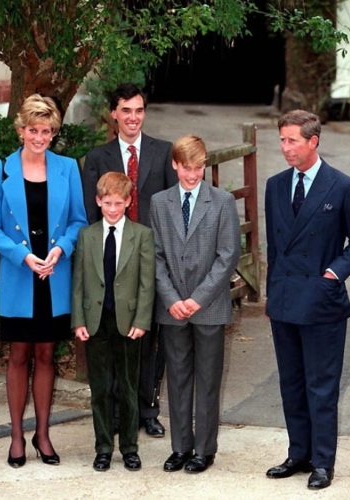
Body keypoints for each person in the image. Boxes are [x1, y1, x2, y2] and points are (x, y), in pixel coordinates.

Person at [264, 109, 350, 490]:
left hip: (322, 302)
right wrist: (272, 293)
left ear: (313, 141)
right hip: (285, 300)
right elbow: (275, 247)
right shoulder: (275, 185)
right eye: (282, 140)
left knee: (321, 387)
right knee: (291, 383)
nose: (285, 148)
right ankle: (298, 454)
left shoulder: (341, 186)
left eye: (292, 141)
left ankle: (323, 462)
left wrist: (334, 273)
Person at [0, 94, 88, 468]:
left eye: (46, 131)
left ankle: (43, 434)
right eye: (33, 130)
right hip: (19, 276)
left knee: (46, 355)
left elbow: (78, 221)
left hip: (54, 276)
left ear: (54, 132)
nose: (40, 137)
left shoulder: (67, 168)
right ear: (21, 130)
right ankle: (15, 436)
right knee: (18, 355)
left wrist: (60, 250)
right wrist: (22, 256)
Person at [82, 82, 177, 438]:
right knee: (115, 335)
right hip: (112, 262)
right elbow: (91, 214)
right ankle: (118, 411)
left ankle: (147, 408)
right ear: (114, 114)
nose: (133, 117)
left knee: (149, 337)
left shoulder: (162, 152)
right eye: (126, 110)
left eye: (139, 110)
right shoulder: (97, 158)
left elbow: (171, 208)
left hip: (152, 259)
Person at [150, 134, 241, 474]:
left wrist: (197, 298)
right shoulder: (160, 202)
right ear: (175, 165)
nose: (192, 175)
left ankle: (204, 449)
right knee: (177, 378)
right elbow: (155, 256)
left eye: (199, 168)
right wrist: (172, 299)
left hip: (209, 305)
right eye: (187, 168)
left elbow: (228, 256)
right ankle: (180, 447)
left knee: (208, 379)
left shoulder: (222, 201)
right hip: (172, 307)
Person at [72, 172, 155, 472]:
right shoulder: (87, 235)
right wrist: (78, 320)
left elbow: (147, 283)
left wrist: (142, 320)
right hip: (96, 322)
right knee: (101, 388)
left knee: (129, 387)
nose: (112, 209)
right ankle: (104, 447)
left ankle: (130, 447)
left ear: (129, 202)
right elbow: (78, 281)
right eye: (107, 203)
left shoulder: (141, 235)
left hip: (128, 322)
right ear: (98, 201)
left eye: (119, 203)